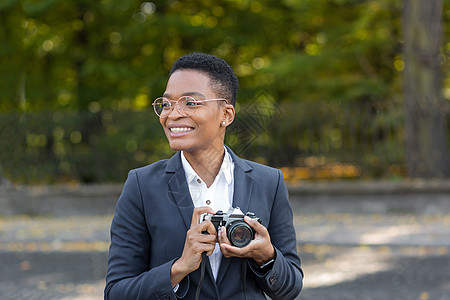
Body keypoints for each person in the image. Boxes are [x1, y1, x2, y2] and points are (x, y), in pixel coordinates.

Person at [104, 52, 303, 300]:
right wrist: (178, 268)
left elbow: (290, 289)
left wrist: (267, 256)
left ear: (226, 115)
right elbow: (116, 293)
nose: (172, 114)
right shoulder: (141, 185)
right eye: (166, 104)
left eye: (190, 102)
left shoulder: (268, 182)